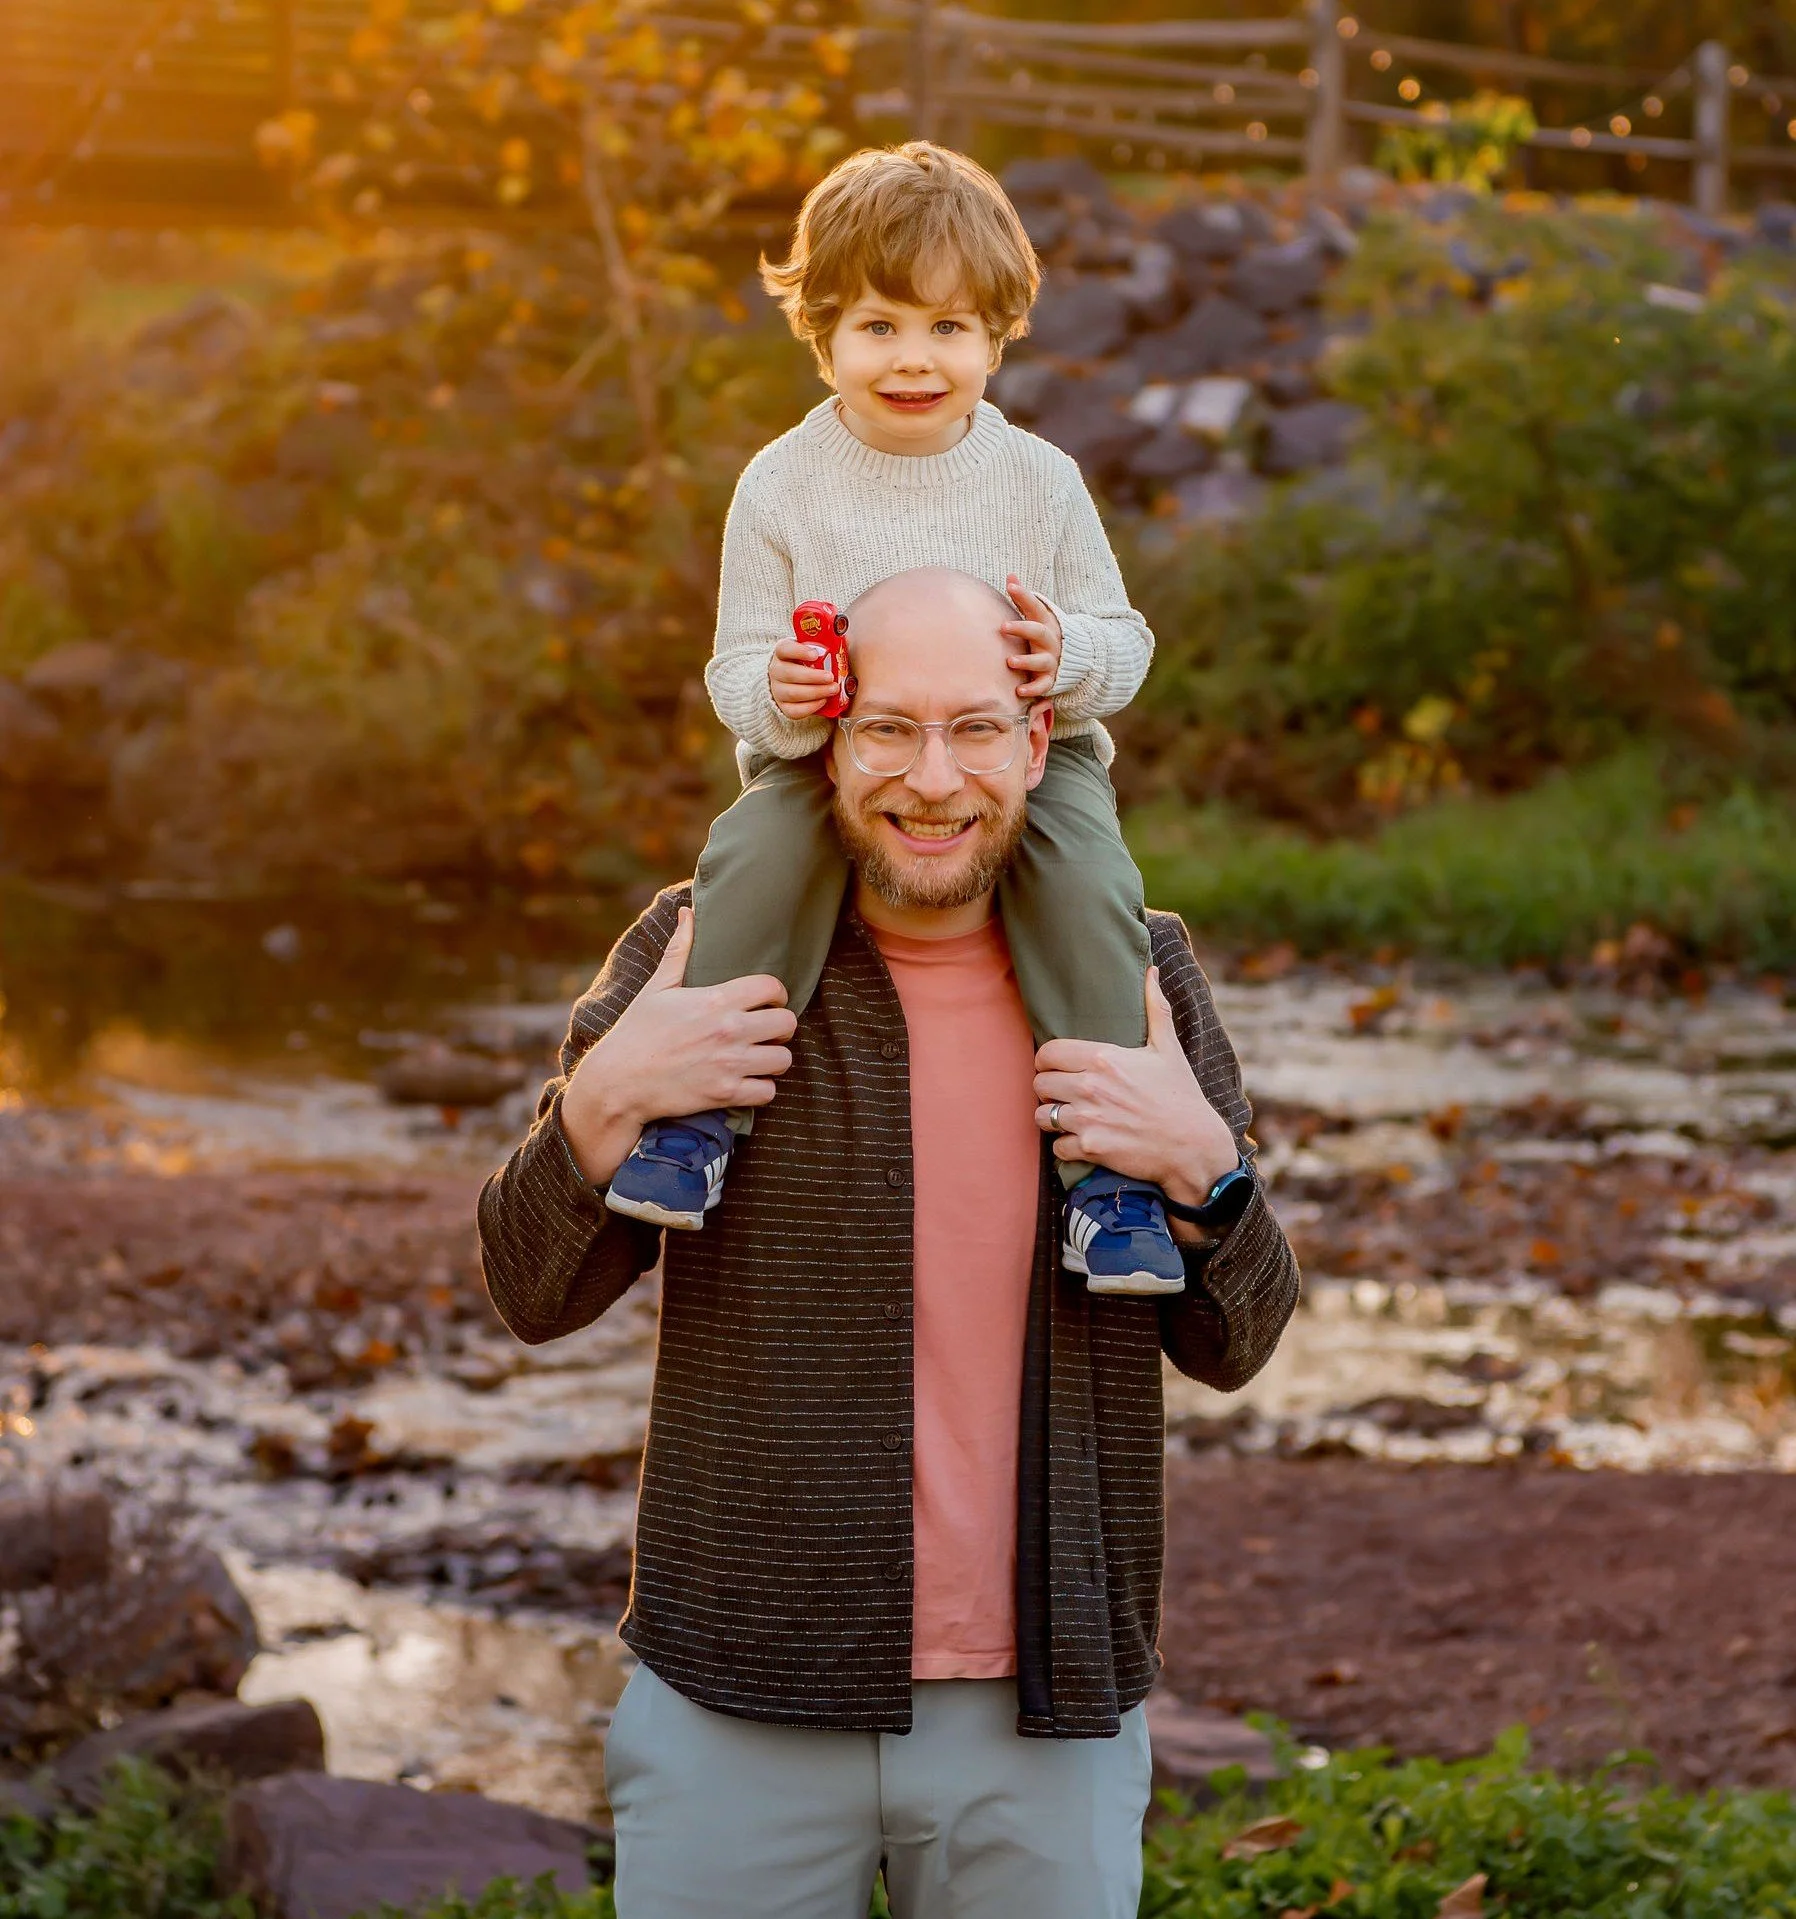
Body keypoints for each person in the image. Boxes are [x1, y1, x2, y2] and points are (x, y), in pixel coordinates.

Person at [478, 566, 1301, 1919]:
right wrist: (608, 1096)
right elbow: (530, 1287)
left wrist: (1209, 1169)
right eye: (889, 728)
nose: (934, 777)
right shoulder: (708, 957)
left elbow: (1237, 1341)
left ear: (1038, 742)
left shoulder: (1134, 977)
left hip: (1047, 1716)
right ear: (826, 738)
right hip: (738, 1694)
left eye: (977, 727)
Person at [599, 140, 1184, 1294]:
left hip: (1029, 757)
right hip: (827, 758)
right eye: (877, 327)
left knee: (1087, 884)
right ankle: (696, 1122)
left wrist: (1065, 655)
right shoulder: (780, 482)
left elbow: (1127, 646)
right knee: (752, 853)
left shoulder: (1040, 479)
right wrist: (780, 692)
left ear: (997, 337)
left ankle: (1110, 1181)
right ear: (820, 336)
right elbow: (729, 666)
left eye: (948, 329)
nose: (913, 359)